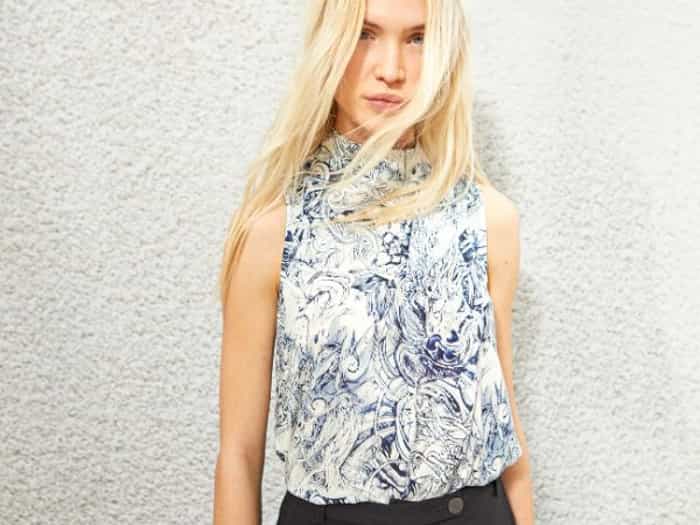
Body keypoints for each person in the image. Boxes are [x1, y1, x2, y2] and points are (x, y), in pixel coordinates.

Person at [213, 0, 535, 524]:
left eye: (417, 39)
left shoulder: (489, 219)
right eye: (365, 34)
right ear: (330, 44)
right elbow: (238, 454)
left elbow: (502, 422)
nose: (392, 69)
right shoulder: (274, 229)